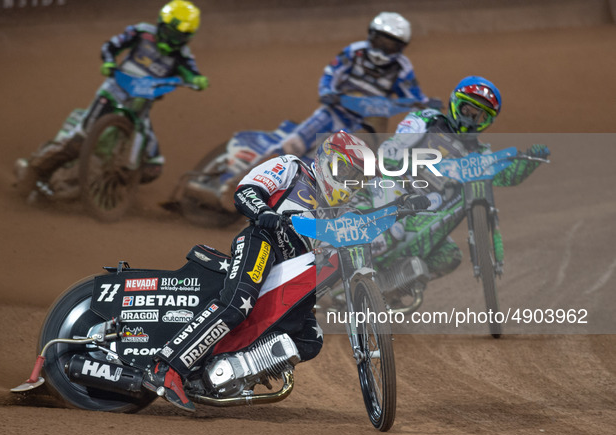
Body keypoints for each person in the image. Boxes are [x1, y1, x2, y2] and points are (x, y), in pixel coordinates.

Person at [141, 131, 427, 411]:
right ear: (327, 160)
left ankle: (225, 373)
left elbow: (369, 216)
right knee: (238, 303)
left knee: (310, 338)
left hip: (290, 273)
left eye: (356, 177)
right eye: (344, 169)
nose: (349, 181)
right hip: (262, 242)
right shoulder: (293, 168)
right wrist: (264, 212)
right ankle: (165, 368)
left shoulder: (339, 210)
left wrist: (403, 204)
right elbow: (246, 190)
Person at [364, 75, 550, 283]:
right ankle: (349, 270)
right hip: (397, 186)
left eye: (480, 116)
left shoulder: (480, 152)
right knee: (393, 232)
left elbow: (504, 176)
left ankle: (384, 288)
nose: (471, 120)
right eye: (467, 111)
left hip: (426, 212)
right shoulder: (429, 119)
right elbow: (394, 144)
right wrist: (399, 158)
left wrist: (527, 162)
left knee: (449, 256)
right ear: (455, 103)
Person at [14, 0, 209, 196]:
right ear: (160, 24)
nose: (173, 40)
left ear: (188, 37)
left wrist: (197, 79)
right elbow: (111, 45)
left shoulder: (183, 56)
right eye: (170, 33)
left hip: (141, 106)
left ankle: (107, 193)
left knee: (152, 167)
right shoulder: (142, 32)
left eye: (179, 37)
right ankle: (34, 171)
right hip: (113, 92)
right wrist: (109, 62)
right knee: (78, 141)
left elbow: (192, 72)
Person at [279, 11, 437, 157]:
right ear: (371, 36)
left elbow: (414, 98)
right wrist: (327, 92)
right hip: (336, 111)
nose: (382, 51)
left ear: (401, 47)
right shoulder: (354, 52)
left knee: (338, 158)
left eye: (390, 46)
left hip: (366, 123)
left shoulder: (402, 68)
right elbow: (331, 73)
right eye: (380, 42)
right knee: (291, 146)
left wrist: (427, 107)